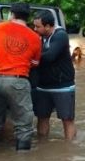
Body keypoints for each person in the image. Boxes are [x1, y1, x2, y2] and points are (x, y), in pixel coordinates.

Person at [0, 2, 42, 151]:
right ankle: (23, 156)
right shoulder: (35, 37)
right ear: (28, 17)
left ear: (12, 14)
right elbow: (35, 63)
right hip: (18, 81)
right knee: (23, 123)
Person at [32, 11, 76, 140]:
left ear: (47, 26)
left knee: (67, 119)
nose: (35, 29)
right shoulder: (38, 37)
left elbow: (50, 56)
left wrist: (31, 57)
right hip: (42, 86)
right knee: (42, 117)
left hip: (62, 86)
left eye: (38, 26)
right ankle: (42, 146)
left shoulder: (60, 35)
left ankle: (69, 148)